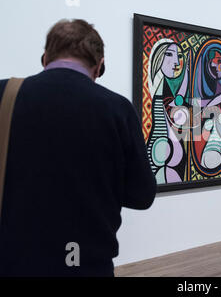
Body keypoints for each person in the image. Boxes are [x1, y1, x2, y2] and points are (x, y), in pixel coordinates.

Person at [0, 19, 157, 276]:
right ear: (99, 67)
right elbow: (142, 195)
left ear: (45, 57)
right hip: (85, 265)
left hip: (11, 264)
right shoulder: (116, 109)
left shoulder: (4, 95)